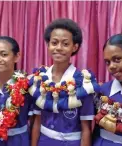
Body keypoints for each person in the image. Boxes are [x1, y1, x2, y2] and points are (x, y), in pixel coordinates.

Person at [29, 18, 99, 146]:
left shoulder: (83, 83)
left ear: (75, 47)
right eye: (54, 43)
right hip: (44, 141)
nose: (59, 48)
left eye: (65, 44)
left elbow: (86, 129)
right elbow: (36, 122)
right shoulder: (39, 79)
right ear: (48, 45)